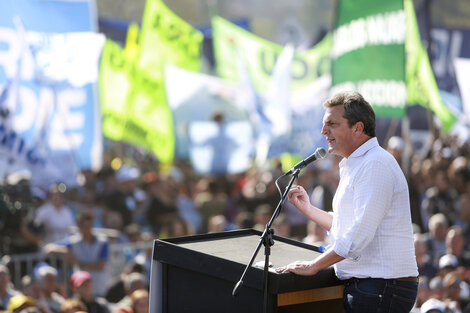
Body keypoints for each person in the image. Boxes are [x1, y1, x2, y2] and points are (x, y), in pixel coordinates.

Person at [275, 91, 418, 313]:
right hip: (375, 287)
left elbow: (359, 234)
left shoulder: (375, 165)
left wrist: (314, 266)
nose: (324, 131)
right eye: (324, 124)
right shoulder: (357, 164)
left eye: (332, 124)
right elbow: (348, 226)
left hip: (381, 286)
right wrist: (309, 210)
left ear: (357, 128)